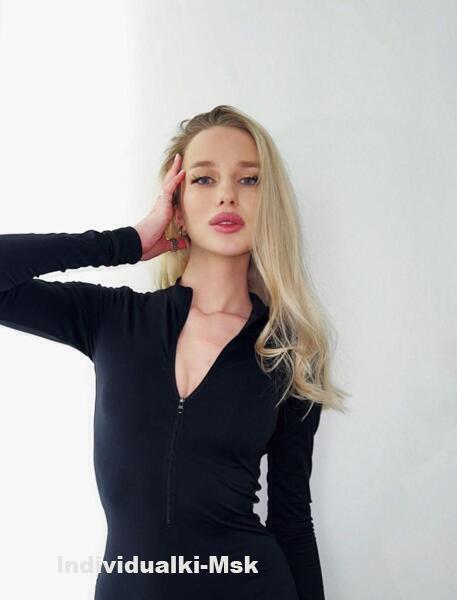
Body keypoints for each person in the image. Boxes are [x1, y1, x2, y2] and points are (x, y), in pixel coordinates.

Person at [0, 105, 347, 599]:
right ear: (176, 204)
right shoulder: (111, 319)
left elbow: (292, 518)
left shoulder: (288, 351)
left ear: (270, 204)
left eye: (249, 180)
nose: (227, 194)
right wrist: (125, 243)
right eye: (204, 179)